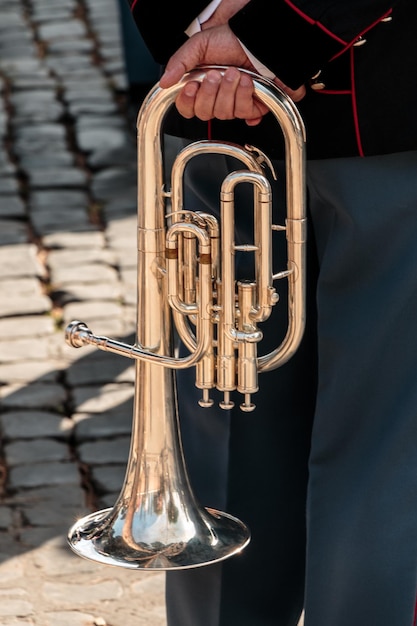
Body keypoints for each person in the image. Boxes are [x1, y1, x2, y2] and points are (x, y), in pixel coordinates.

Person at [126, 1, 417, 625]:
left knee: (227, 436)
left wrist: (201, 29)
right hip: (388, 104)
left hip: (214, 107)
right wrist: (265, 39)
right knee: (387, 448)